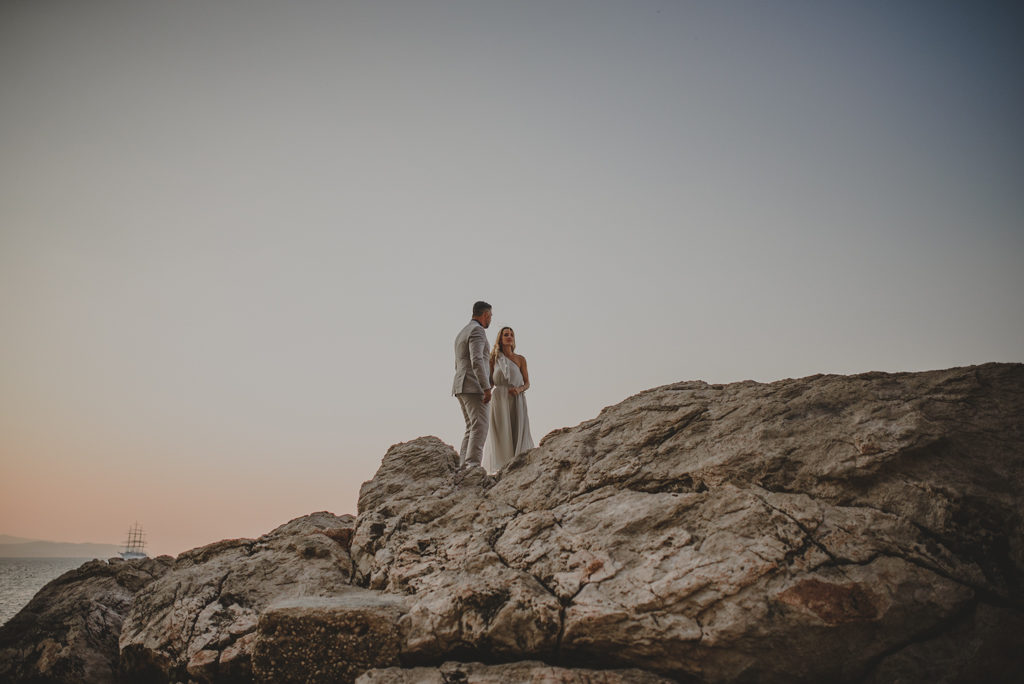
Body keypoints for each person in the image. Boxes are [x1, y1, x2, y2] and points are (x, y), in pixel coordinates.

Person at [484, 326, 534, 472]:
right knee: (501, 432)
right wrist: (485, 391)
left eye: (511, 334)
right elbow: (491, 381)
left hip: (516, 398)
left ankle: (518, 466)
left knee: (516, 430)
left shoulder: (520, 359)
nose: (509, 337)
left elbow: (527, 383)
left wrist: (518, 390)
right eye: (506, 334)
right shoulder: (494, 358)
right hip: (499, 399)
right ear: (500, 338)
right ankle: (501, 466)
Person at [452, 301, 493, 469]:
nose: (490, 319)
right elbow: (476, 360)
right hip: (474, 386)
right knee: (480, 426)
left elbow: (458, 362)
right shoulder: (478, 330)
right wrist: (486, 387)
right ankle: (472, 466)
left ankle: (464, 466)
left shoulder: (462, 332)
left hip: (460, 385)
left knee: (471, 427)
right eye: (490, 316)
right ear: (485, 315)